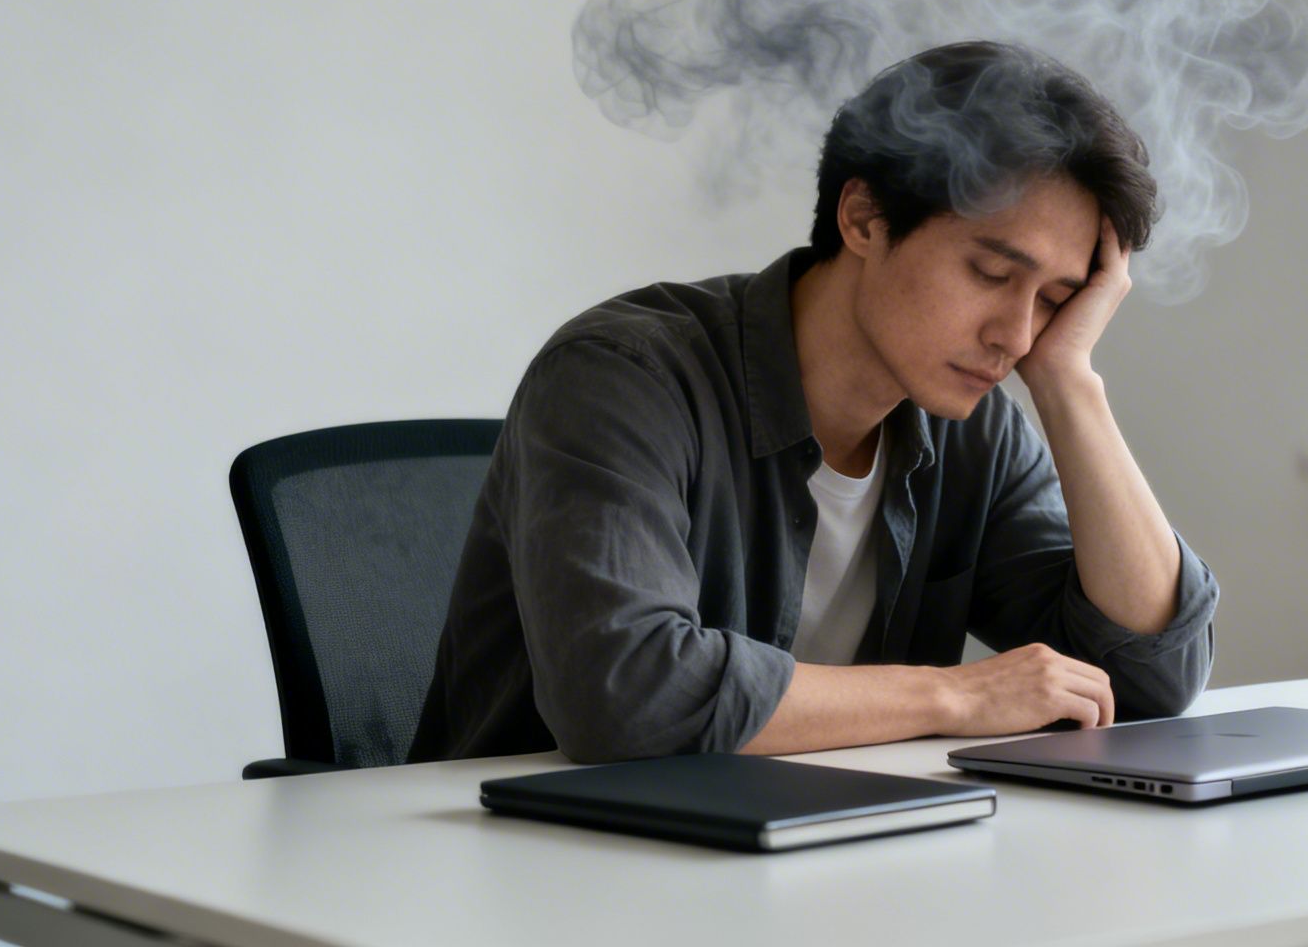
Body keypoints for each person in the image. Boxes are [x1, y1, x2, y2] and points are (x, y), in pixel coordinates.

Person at [407, 41, 1218, 763]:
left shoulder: (979, 431)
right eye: (992, 274)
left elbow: (1148, 674)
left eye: (1054, 299)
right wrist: (955, 696)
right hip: (540, 871)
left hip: (801, 860)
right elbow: (625, 695)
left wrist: (1069, 383)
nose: (1016, 333)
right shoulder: (623, 377)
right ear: (864, 218)